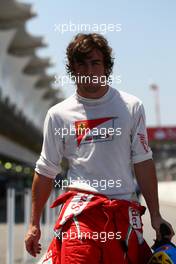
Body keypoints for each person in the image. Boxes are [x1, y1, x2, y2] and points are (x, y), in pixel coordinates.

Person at [25, 33, 174, 263]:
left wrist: (155, 216)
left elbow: (143, 161)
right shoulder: (58, 115)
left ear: (106, 67)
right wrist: (34, 224)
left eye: (95, 63)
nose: (89, 71)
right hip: (80, 215)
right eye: (81, 64)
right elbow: (45, 170)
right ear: (73, 70)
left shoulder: (132, 107)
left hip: (123, 214)